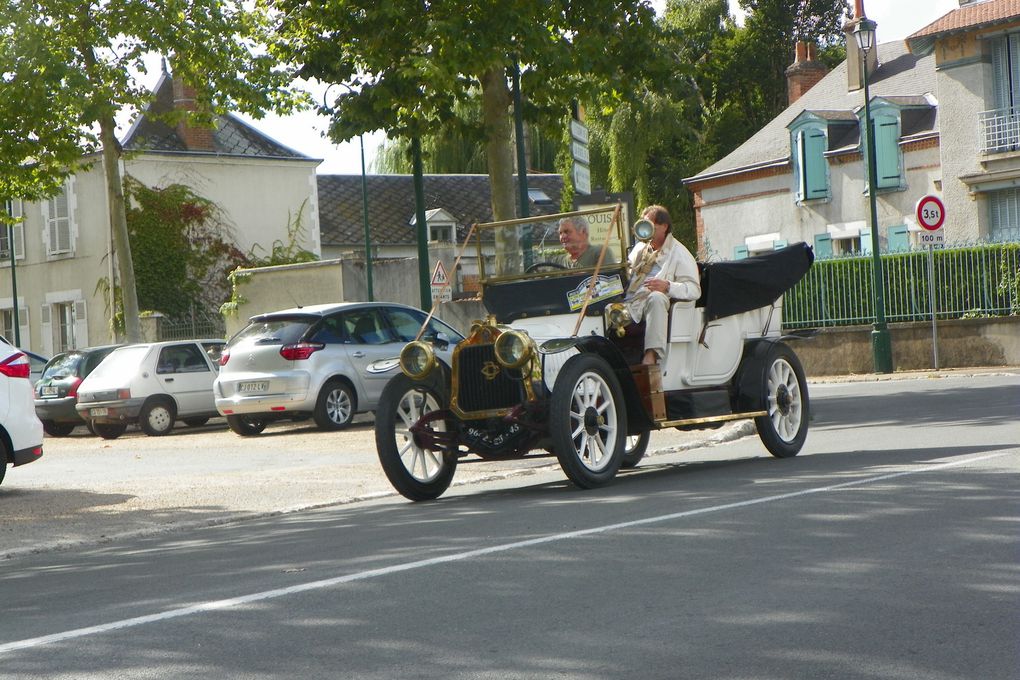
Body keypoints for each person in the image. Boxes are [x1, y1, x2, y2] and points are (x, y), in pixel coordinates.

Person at [625, 205, 701, 366]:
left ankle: (651, 355)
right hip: (630, 304)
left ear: (664, 227)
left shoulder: (679, 253)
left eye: (650, 226)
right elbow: (626, 275)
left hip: (654, 304)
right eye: (643, 226)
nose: (645, 231)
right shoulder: (639, 249)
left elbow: (694, 290)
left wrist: (667, 286)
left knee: (657, 298)